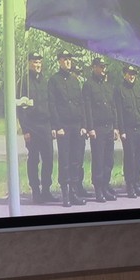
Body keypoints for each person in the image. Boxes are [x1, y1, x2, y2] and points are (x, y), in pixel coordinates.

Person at [47, 50, 87, 207]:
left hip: (77, 125)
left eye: (69, 59)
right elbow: (52, 105)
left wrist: (83, 125)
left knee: (76, 160)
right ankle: (65, 193)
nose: (68, 62)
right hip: (63, 126)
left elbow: (81, 103)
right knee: (65, 160)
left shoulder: (74, 80)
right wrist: (57, 126)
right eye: (65, 59)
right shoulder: (54, 81)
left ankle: (74, 192)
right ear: (59, 61)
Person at [16, 52, 57, 204]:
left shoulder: (45, 81)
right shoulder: (23, 82)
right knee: (33, 159)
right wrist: (25, 130)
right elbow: (20, 108)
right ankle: (36, 191)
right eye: (34, 62)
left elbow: (51, 104)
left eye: (39, 62)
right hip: (32, 126)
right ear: (29, 63)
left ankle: (46, 190)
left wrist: (53, 126)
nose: (37, 65)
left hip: (45, 125)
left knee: (48, 159)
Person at [83, 57, 118, 202]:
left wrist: (116, 127)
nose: (104, 69)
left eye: (105, 67)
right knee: (98, 160)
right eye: (101, 66)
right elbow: (87, 108)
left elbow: (113, 107)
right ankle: (98, 189)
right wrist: (90, 128)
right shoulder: (88, 85)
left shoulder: (108, 85)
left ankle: (105, 186)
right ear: (94, 67)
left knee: (109, 160)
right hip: (97, 129)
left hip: (109, 127)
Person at [114, 65, 140, 198]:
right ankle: (130, 185)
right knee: (130, 158)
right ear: (125, 74)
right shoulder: (120, 89)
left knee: (139, 157)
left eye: (134, 73)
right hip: (128, 129)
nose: (132, 76)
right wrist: (121, 130)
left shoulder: (138, 89)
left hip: (139, 128)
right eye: (129, 73)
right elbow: (119, 111)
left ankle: (137, 183)